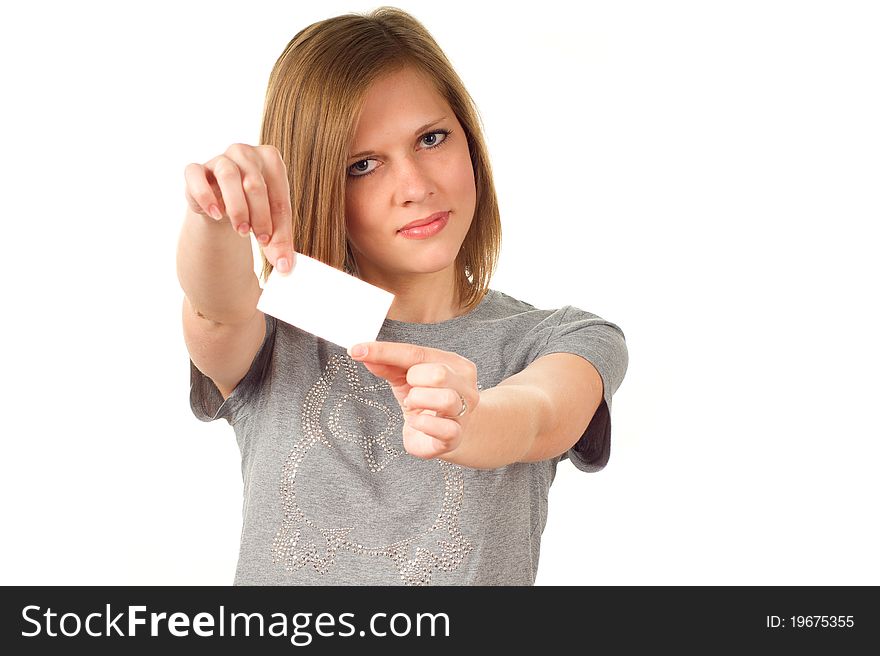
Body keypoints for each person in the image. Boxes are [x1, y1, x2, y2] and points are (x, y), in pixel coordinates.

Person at [177, 6, 628, 586]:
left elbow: (540, 415)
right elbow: (216, 310)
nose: (416, 187)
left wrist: (473, 416)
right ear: (318, 183)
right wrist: (215, 213)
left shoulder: (559, 338)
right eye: (363, 165)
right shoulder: (283, 326)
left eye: (432, 138)